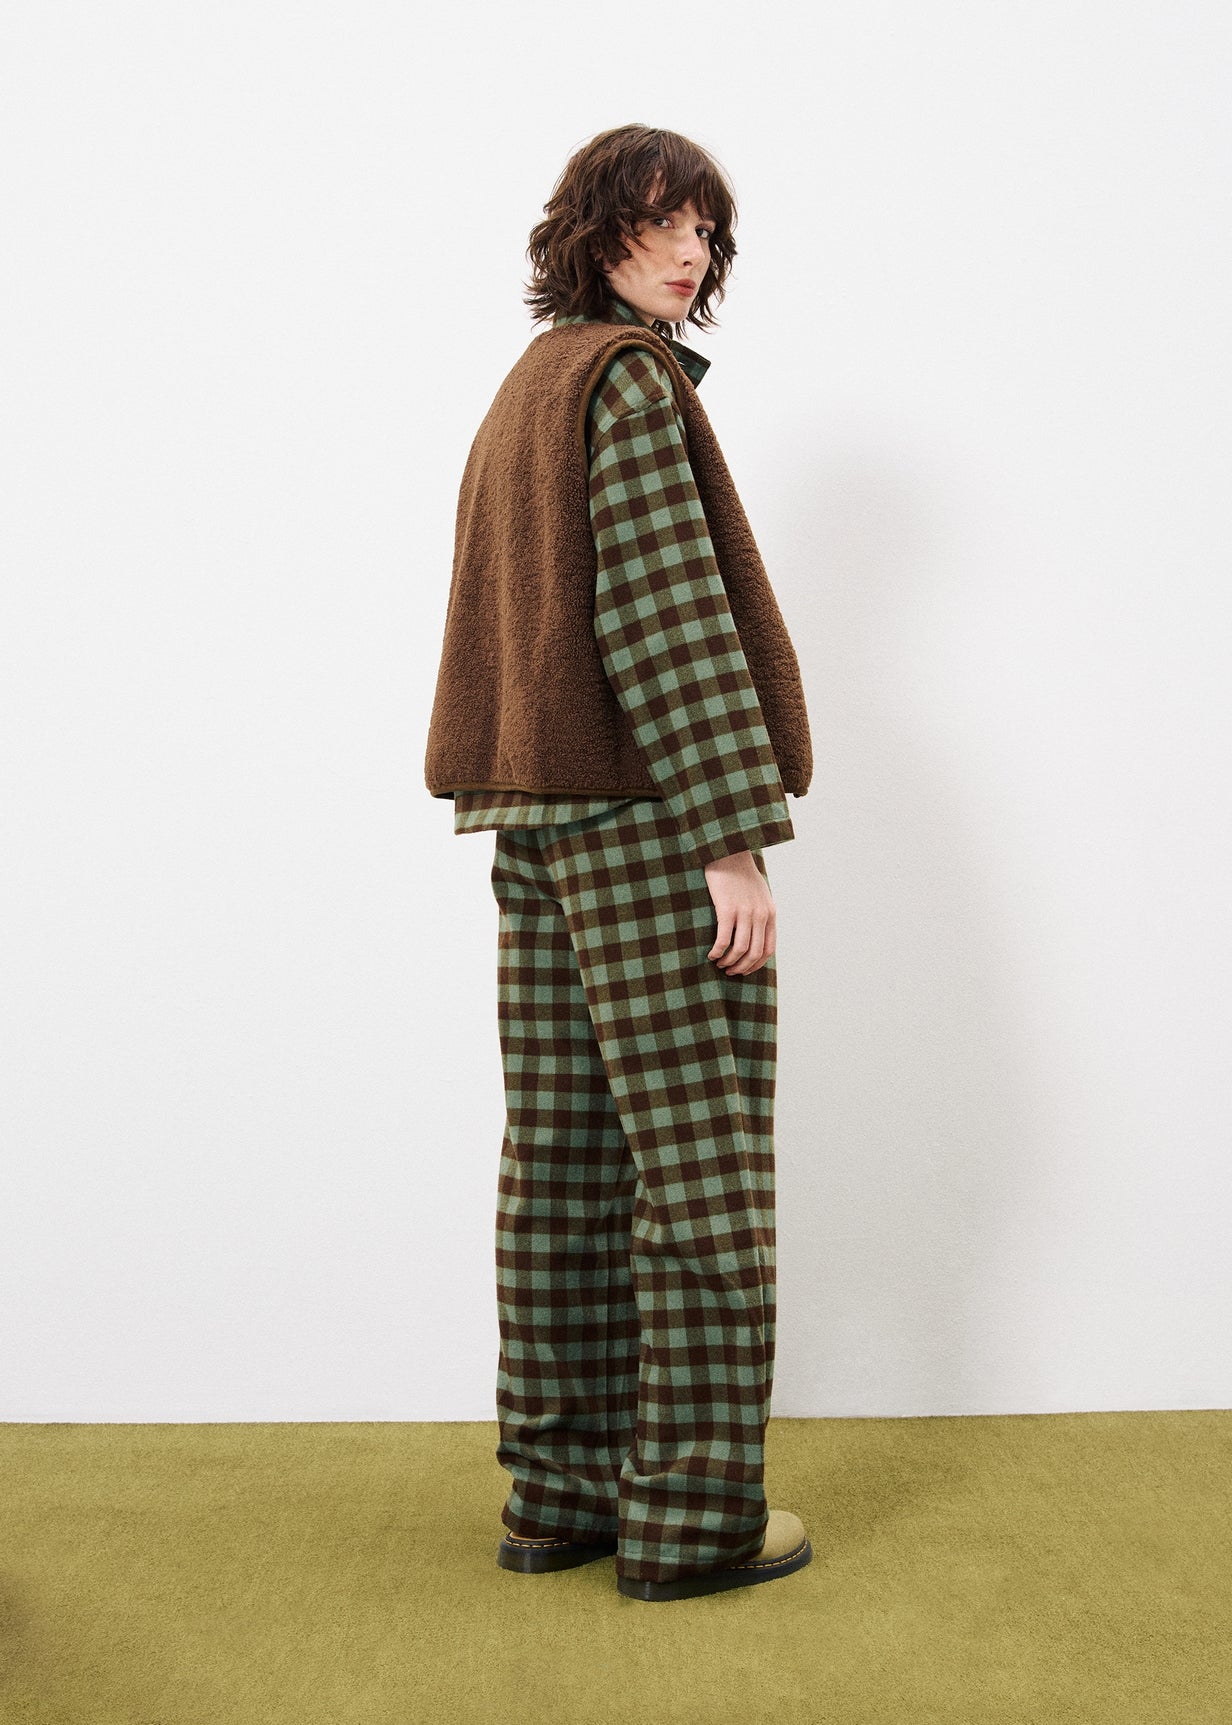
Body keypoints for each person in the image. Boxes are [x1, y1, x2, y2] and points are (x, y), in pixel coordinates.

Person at [423, 123, 815, 1602]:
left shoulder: (531, 384)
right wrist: (730, 835)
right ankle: (694, 1520)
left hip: (535, 821)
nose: (691, 251)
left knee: (567, 1169)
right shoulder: (632, 383)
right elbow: (664, 617)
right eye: (663, 221)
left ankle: (562, 1495)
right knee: (699, 1176)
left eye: (707, 229)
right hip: (647, 826)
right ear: (594, 230)